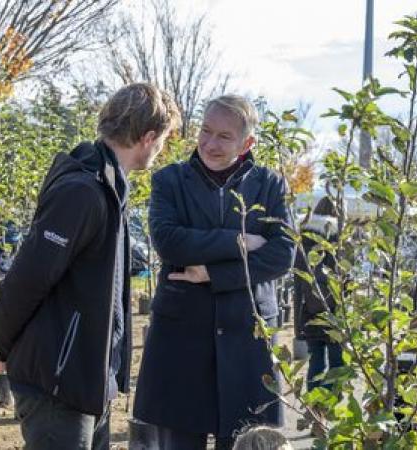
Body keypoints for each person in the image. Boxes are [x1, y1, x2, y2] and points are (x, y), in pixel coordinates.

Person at [0, 83, 180, 450]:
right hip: (59, 384)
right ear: (149, 137)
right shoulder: (83, 191)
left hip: (87, 381)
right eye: (163, 141)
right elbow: (27, 279)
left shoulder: (109, 186)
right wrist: (0, 346)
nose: (161, 150)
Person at [133, 95, 295, 449]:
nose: (210, 143)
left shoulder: (270, 185)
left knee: (248, 440)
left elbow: (283, 254)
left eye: (224, 136)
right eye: (205, 131)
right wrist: (240, 241)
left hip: (247, 340)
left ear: (247, 143)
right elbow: (169, 242)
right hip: (181, 339)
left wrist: (213, 274)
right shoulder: (170, 181)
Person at [294, 196, 344, 391]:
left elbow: (298, 284)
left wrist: (298, 325)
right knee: (337, 361)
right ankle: (333, 402)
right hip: (336, 311)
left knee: (315, 361)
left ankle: (315, 405)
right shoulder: (340, 239)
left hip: (310, 309)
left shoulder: (303, 239)